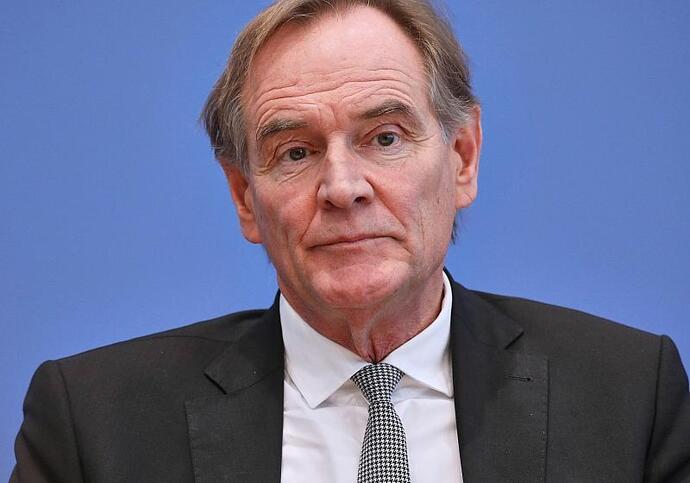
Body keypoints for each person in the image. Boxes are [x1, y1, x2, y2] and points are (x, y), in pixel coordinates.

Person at [11, 0, 690, 481]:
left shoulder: (628, 393)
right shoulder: (94, 424)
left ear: (463, 158)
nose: (342, 187)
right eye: (296, 152)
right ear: (245, 196)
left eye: (385, 138)